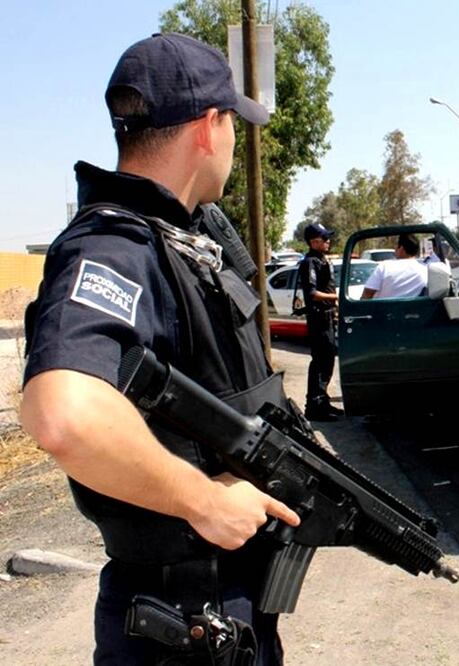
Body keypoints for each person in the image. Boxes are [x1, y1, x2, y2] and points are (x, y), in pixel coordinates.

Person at [19, 33, 302, 665]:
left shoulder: (182, 236)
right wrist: (203, 499)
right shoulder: (115, 247)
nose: (233, 140)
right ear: (209, 127)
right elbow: (62, 414)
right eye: (232, 122)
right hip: (179, 619)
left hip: (221, 613)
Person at [296, 222, 343, 422]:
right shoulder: (309, 263)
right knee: (321, 362)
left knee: (328, 361)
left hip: (328, 318)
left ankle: (323, 403)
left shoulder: (322, 260)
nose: (328, 241)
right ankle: (314, 407)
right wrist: (336, 297)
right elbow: (312, 293)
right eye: (324, 239)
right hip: (319, 319)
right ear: (314, 242)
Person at [361, 233, 428, 299]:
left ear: (401, 248)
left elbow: (366, 295)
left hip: (383, 309)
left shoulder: (384, 267)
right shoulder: (425, 270)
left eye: (396, 246)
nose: (395, 249)